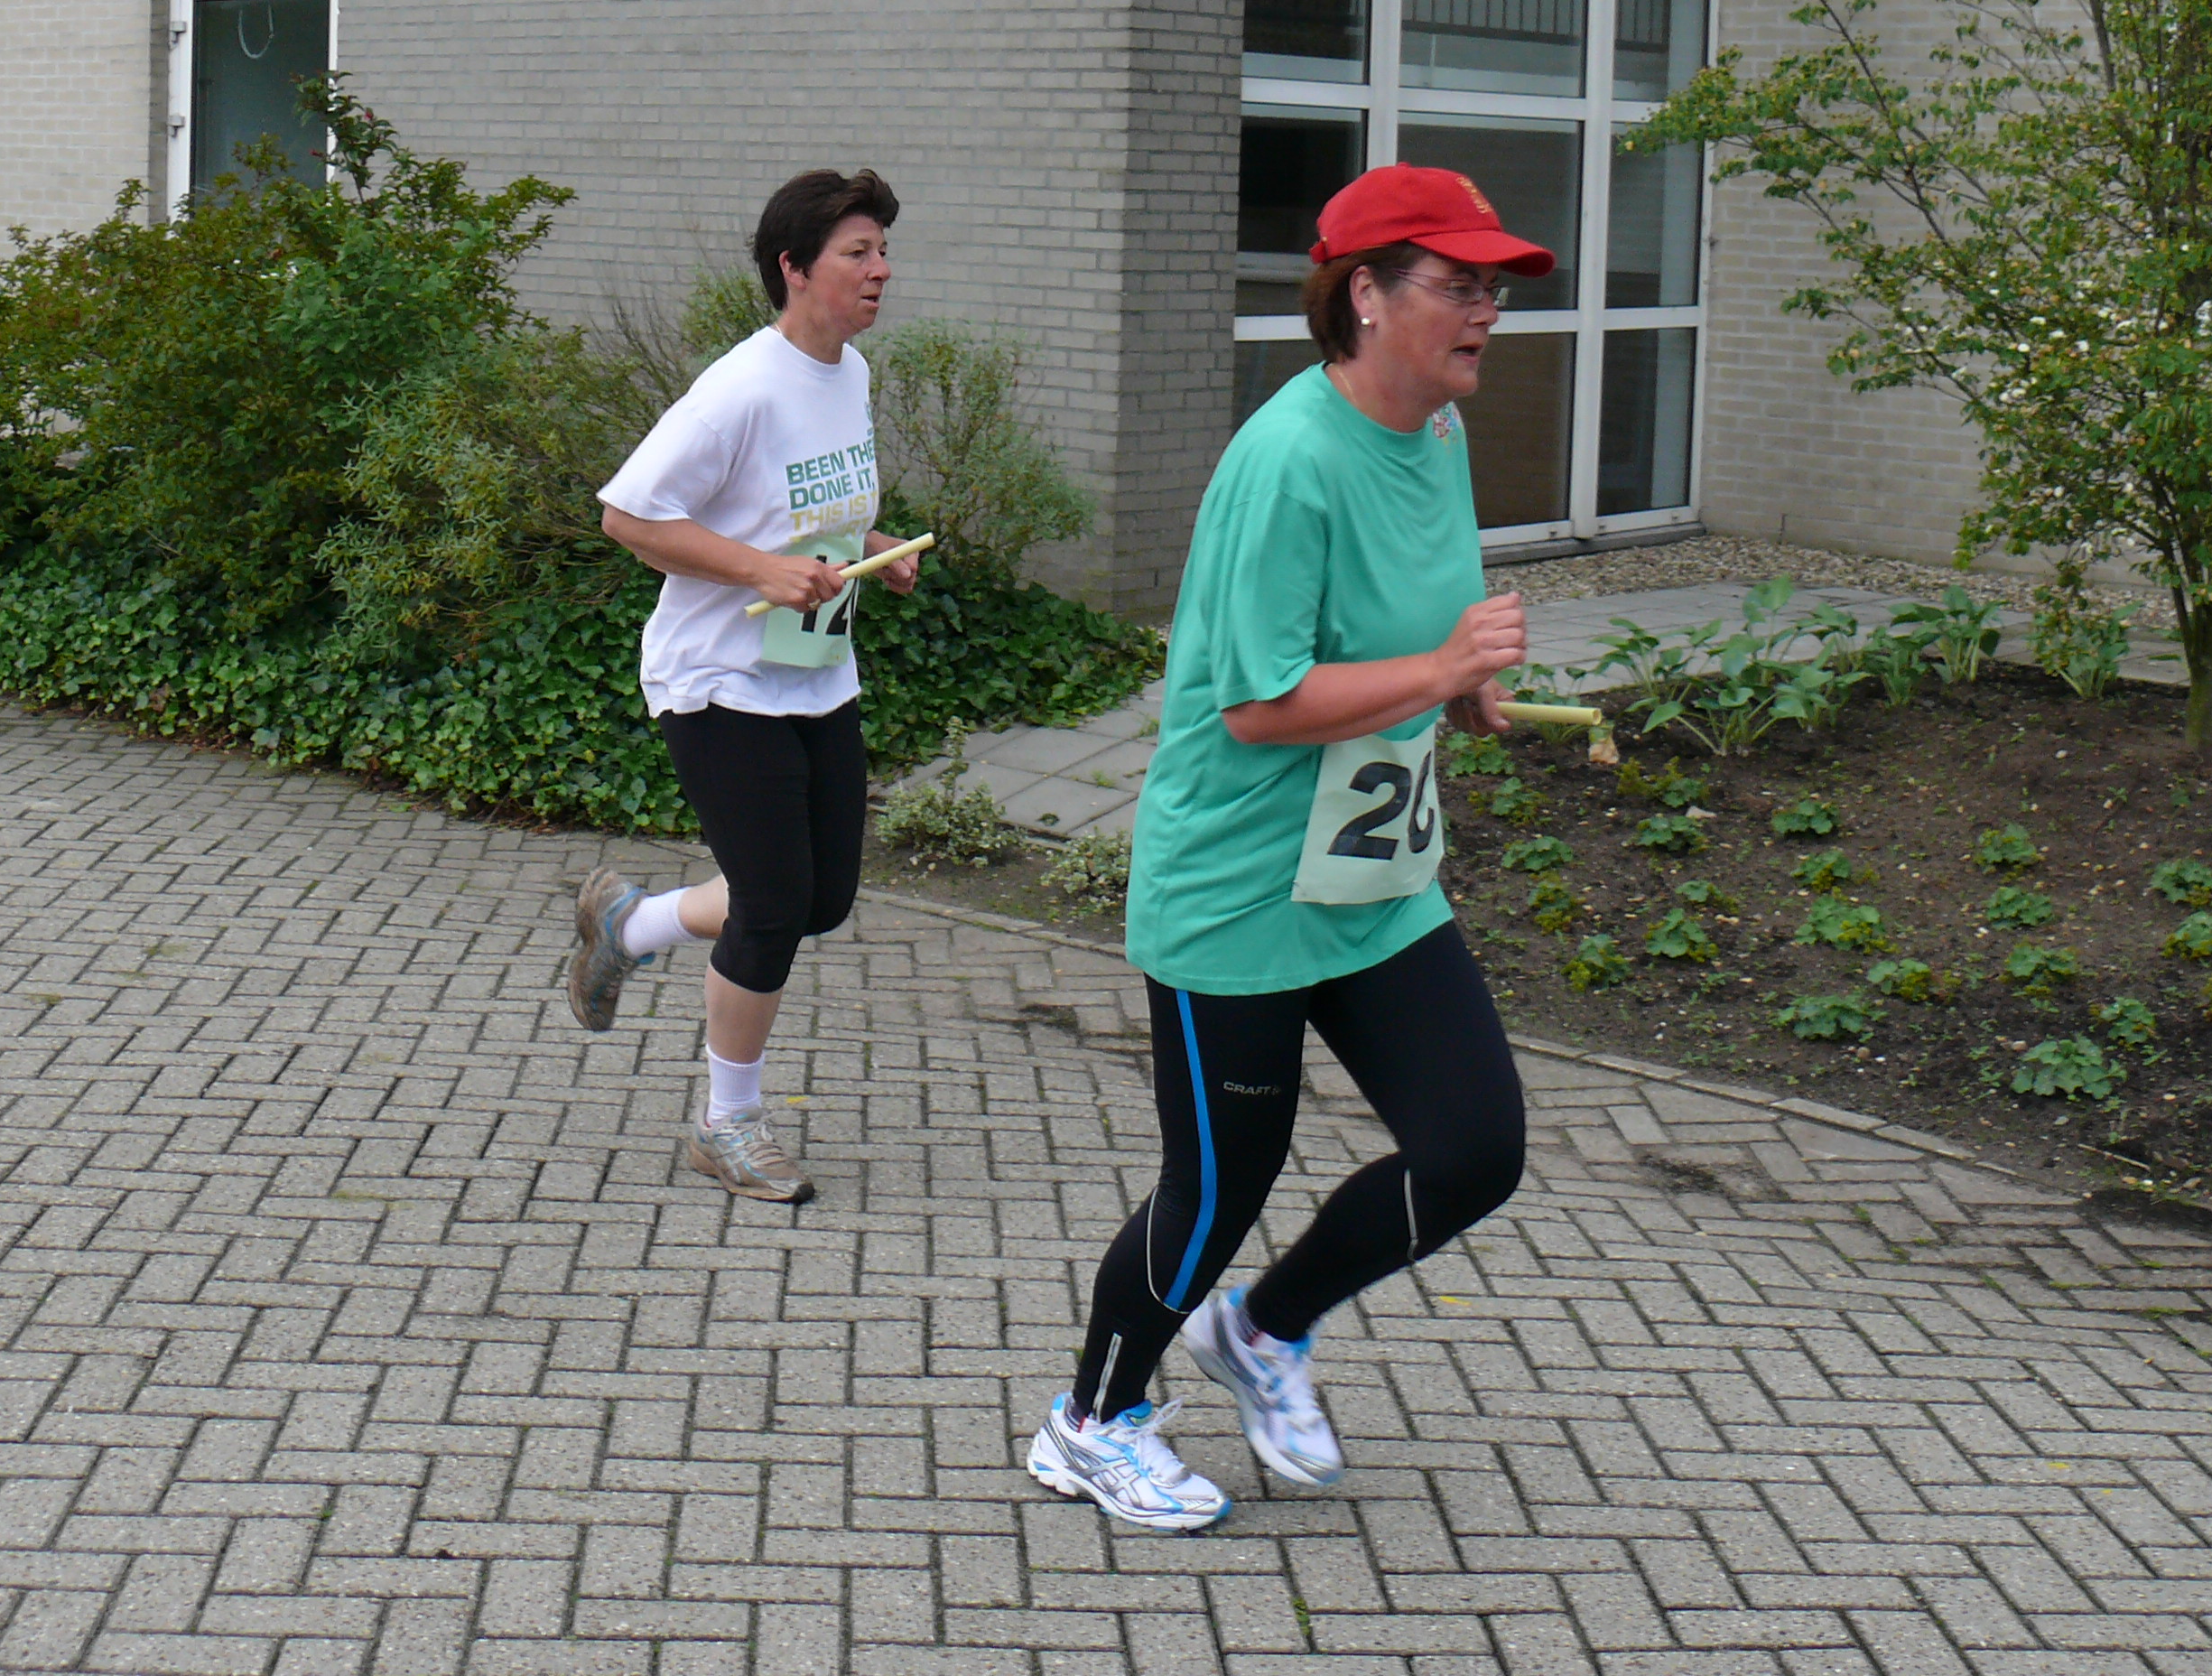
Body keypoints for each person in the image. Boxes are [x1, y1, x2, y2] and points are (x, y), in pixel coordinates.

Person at [1024, 162, 1544, 1532]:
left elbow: (1408, 630)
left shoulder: (1435, 431)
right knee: (1217, 1190)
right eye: (1458, 284)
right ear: (1364, 295)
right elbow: (1258, 706)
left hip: (1371, 879)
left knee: (1474, 1147)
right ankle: (1091, 1423)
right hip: (1243, 888)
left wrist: (1459, 688)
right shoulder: (1288, 462)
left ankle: (1263, 1330)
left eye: (1494, 287)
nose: (1486, 310)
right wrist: (1437, 670)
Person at [563, 168, 922, 1204]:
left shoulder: (850, 373)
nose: (880, 270)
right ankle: (728, 1125)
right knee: (769, 906)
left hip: (813, 671)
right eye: (858, 253)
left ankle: (630, 926)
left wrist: (872, 545)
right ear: (794, 267)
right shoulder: (740, 389)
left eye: (883, 251)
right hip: (718, 681)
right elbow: (630, 517)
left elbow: (807, 509)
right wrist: (761, 572)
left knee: (822, 899)